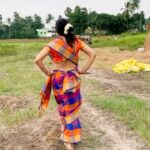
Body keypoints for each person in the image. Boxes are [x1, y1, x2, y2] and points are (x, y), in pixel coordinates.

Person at [34, 18, 96, 150]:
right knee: (71, 108)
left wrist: (47, 73)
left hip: (57, 78)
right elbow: (93, 54)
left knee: (63, 105)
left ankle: (66, 135)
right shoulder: (76, 42)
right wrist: (84, 70)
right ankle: (68, 136)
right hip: (72, 79)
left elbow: (37, 60)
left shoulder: (53, 44)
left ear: (57, 30)